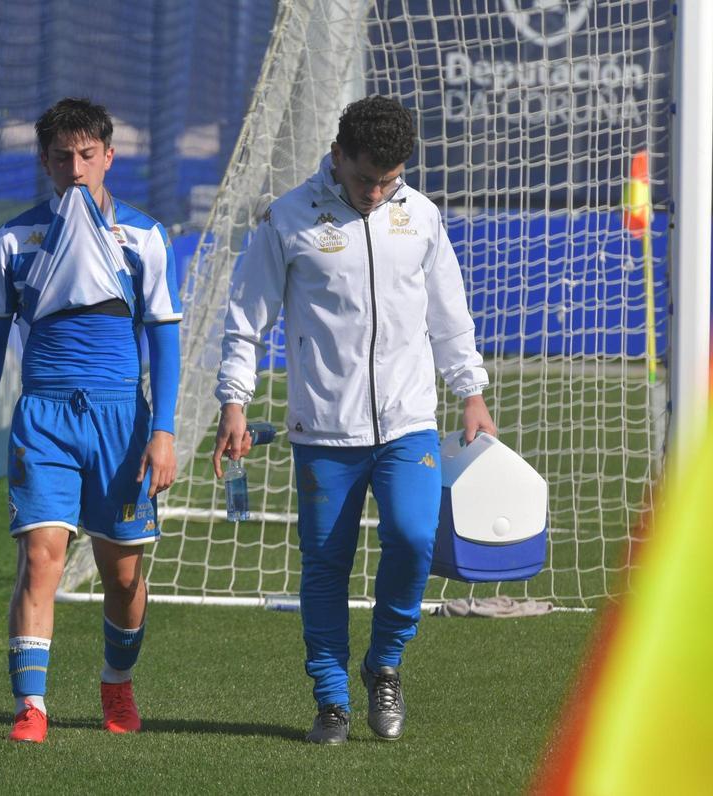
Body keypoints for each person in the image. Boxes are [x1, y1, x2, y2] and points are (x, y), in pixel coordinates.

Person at [212, 95, 496, 745]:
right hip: (323, 431)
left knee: (413, 538)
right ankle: (332, 699)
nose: (375, 191)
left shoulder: (420, 217)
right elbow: (246, 322)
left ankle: (385, 664)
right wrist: (235, 401)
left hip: (408, 423)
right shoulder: (287, 219)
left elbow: (449, 316)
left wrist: (470, 391)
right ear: (337, 156)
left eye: (389, 179)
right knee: (325, 565)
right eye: (366, 176)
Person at [0, 98, 182, 744]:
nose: (77, 167)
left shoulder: (144, 236)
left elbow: (165, 338)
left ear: (109, 157)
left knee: (122, 573)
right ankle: (31, 706)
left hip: (122, 420)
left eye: (89, 155)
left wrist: (163, 430)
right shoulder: (13, 240)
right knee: (41, 556)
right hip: (45, 415)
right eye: (63, 156)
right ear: (45, 163)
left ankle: (117, 680)